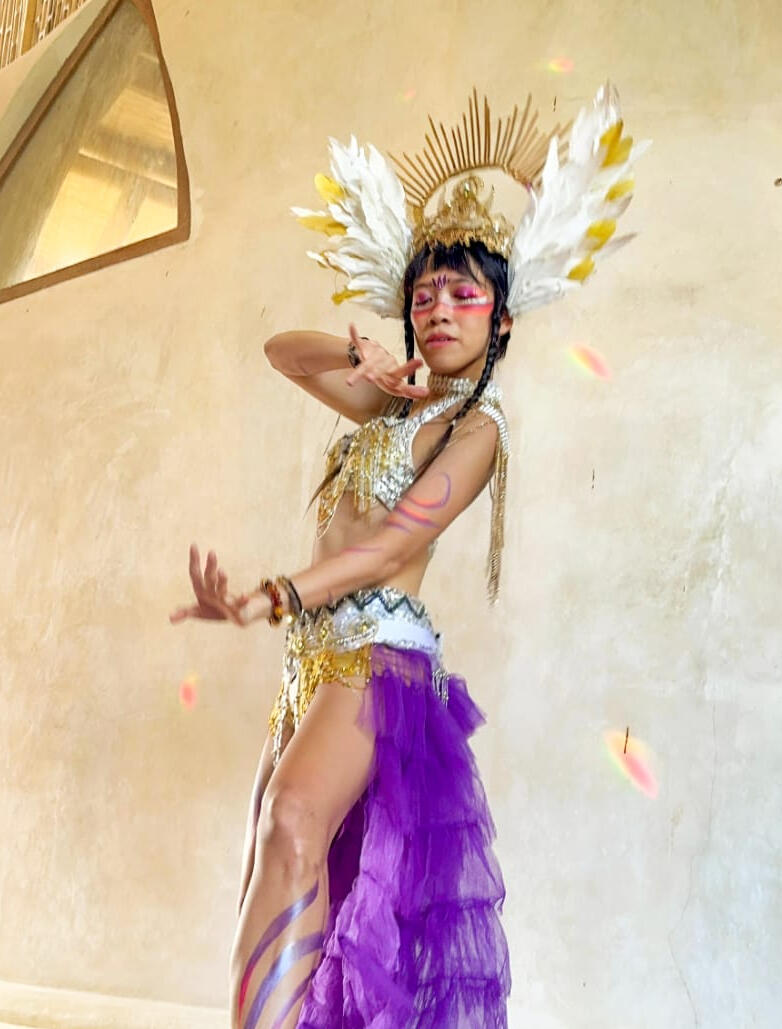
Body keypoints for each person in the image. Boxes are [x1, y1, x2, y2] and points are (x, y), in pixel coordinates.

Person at [170, 85, 647, 1028]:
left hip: (376, 660)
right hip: (313, 658)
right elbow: (281, 351)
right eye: (423, 294)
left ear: (501, 320)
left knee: (294, 820)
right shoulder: (393, 403)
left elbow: (394, 542)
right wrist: (364, 362)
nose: (439, 309)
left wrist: (273, 593)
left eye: (464, 294)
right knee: (276, 846)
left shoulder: (477, 429)